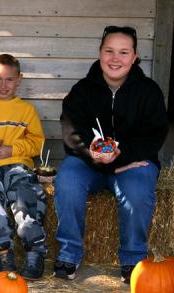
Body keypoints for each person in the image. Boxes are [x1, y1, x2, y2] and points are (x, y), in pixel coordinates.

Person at [54, 26, 168, 283]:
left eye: (123, 52)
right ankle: (69, 254)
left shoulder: (149, 91)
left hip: (132, 161)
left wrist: (121, 156)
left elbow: (154, 135)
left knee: (137, 193)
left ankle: (132, 260)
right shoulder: (82, 90)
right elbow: (70, 131)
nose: (115, 58)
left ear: (135, 56)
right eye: (109, 51)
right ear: (100, 53)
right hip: (88, 161)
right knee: (67, 182)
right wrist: (94, 157)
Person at [0, 54, 47, 280]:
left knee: (25, 195)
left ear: (19, 79)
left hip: (18, 165)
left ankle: (34, 252)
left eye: (9, 80)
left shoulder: (26, 110)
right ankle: (3, 252)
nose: (3, 85)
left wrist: (13, 149)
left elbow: (37, 142)